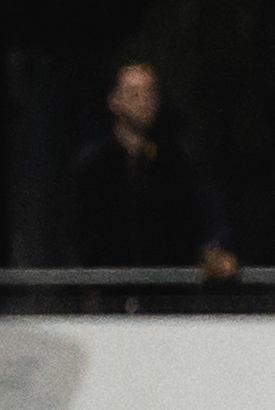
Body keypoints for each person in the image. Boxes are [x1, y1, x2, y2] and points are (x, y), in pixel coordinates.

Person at [67, 61, 236, 277]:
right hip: (111, 289)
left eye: (150, 92)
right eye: (133, 93)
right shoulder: (93, 163)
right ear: (114, 100)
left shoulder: (180, 159)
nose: (144, 101)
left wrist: (217, 249)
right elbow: (76, 231)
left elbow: (210, 216)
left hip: (170, 287)